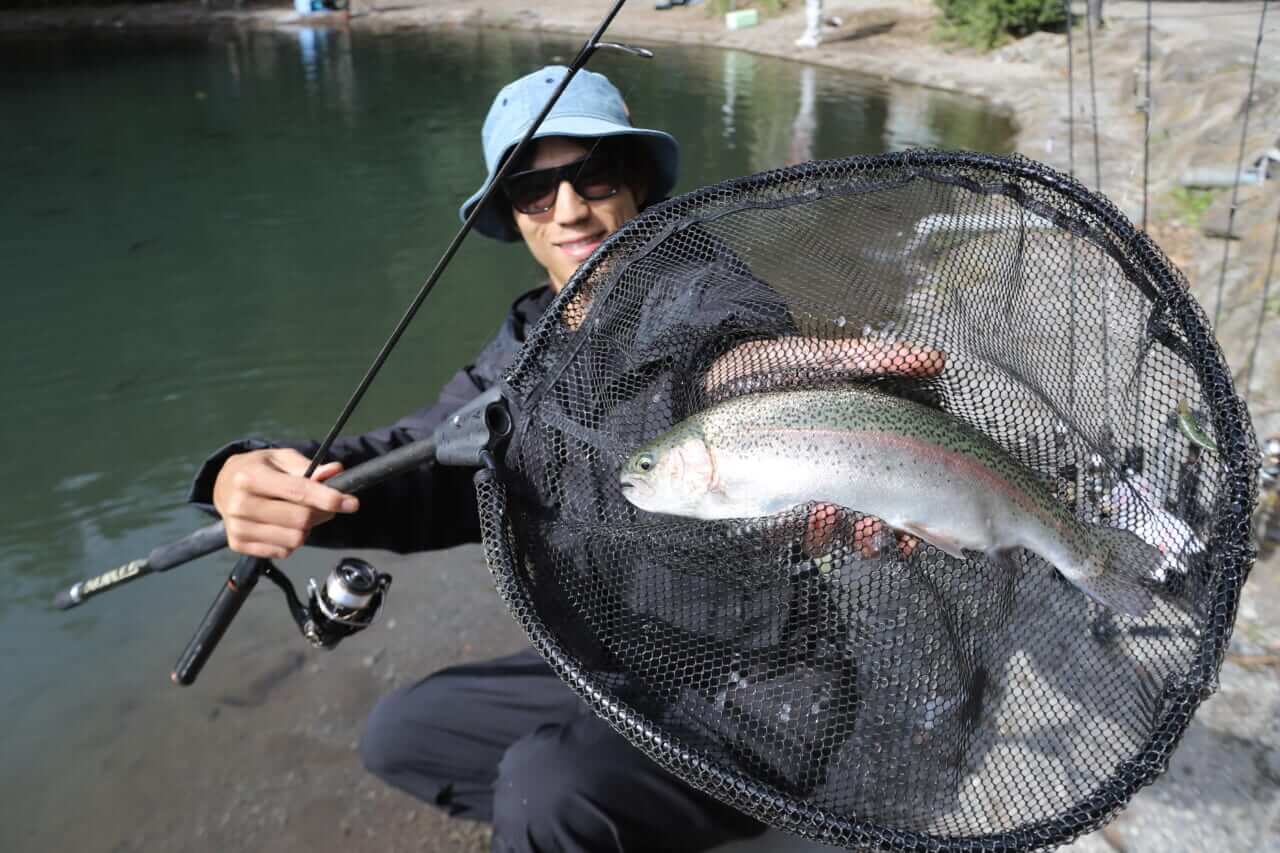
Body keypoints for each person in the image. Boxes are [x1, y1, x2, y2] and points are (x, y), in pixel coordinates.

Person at [190, 65, 771, 852]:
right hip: (610, 669)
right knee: (403, 735)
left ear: (635, 182)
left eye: (593, 175)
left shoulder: (711, 298)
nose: (569, 210)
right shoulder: (524, 344)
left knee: (545, 788)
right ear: (513, 214)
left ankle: (576, 814)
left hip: (749, 686)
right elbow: (415, 460)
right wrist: (251, 470)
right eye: (536, 190)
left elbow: (746, 359)